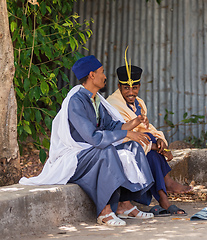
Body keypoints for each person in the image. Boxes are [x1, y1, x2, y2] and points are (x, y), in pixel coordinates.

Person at [19, 55, 156, 226]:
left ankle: (124, 206)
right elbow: (93, 137)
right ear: (92, 75)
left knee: (133, 147)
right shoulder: (76, 101)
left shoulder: (96, 99)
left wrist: (134, 122)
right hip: (75, 155)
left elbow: (111, 125)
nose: (105, 76)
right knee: (107, 150)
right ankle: (104, 212)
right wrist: (126, 134)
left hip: (93, 150)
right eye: (102, 72)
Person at [107, 52, 191, 216]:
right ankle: (166, 188)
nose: (131, 92)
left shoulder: (139, 103)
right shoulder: (113, 104)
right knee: (152, 146)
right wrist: (153, 144)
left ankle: (163, 198)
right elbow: (121, 132)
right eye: (126, 88)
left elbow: (147, 127)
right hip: (121, 146)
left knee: (153, 147)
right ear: (119, 87)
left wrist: (161, 141)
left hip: (141, 146)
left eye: (135, 87)